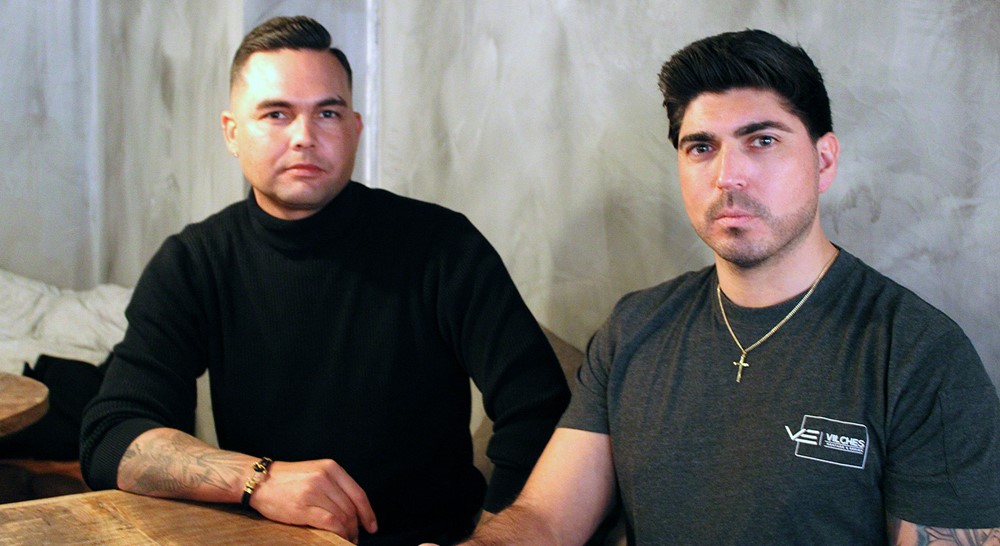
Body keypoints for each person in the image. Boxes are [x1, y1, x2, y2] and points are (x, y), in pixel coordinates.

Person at [457, 29, 1000, 545]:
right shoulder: (633, 328)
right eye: (701, 147)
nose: (728, 176)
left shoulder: (917, 354)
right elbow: (548, 519)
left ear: (824, 160)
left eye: (762, 141)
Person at [80, 15, 570, 546]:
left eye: (328, 113)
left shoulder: (442, 246)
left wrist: (491, 536)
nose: (304, 138)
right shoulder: (194, 263)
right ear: (232, 132)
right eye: (276, 114)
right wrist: (259, 479)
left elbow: (539, 406)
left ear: (355, 128)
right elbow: (112, 434)